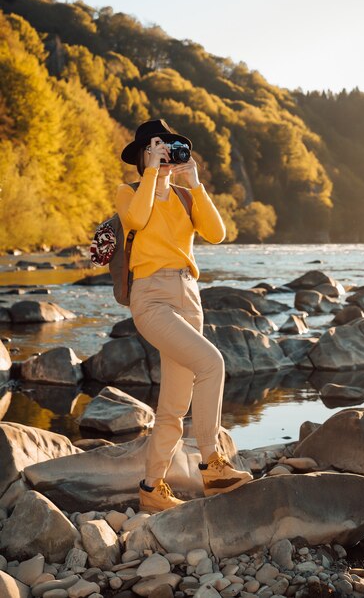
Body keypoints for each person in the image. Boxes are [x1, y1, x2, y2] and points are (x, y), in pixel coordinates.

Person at [116, 119, 252, 513]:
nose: (164, 152)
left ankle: (151, 489)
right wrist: (153, 178)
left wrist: (195, 184)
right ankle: (211, 463)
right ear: (142, 155)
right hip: (151, 297)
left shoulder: (186, 196)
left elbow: (217, 233)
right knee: (212, 363)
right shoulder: (128, 192)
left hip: (189, 296)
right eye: (155, 146)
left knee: (175, 404)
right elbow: (138, 220)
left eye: (169, 147)